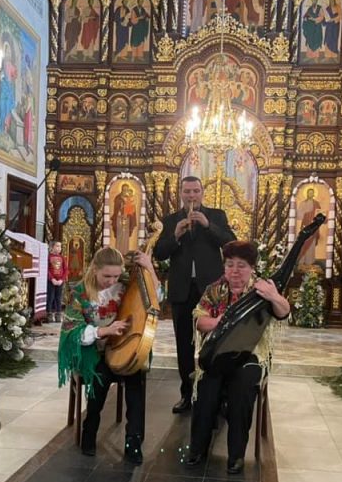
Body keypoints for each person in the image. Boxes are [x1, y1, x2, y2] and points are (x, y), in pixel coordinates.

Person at [185, 241, 290, 474]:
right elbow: (199, 320)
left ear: (252, 268)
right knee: (207, 387)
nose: (234, 271)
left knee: (241, 389)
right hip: (219, 354)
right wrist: (220, 322)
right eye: (229, 265)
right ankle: (198, 448)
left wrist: (274, 296)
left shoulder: (261, 290)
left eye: (241, 266)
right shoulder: (214, 290)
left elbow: (284, 312)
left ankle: (236, 454)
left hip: (251, 354)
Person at [58, 246, 159, 463]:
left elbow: (155, 298)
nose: (112, 281)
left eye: (116, 276)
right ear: (95, 269)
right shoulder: (80, 293)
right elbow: (71, 331)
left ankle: (133, 441)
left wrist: (149, 267)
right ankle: (89, 430)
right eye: (107, 276)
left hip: (124, 348)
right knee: (100, 378)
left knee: (135, 378)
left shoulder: (127, 284)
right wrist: (104, 331)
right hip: (94, 352)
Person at [153, 176, 236, 414]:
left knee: (215, 342)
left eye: (196, 191)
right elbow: (159, 253)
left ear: (202, 192)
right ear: (181, 193)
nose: (191, 196)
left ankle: (217, 395)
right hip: (182, 290)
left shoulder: (216, 216)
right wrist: (175, 235)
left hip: (211, 292)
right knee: (184, 344)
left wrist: (208, 226)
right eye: (187, 191)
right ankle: (187, 394)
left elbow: (230, 244)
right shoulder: (170, 220)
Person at [47, 241, 68, 323]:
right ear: (52, 247)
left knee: (58, 298)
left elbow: (65, 270)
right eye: (57, 246)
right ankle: (49, 314)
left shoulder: (62, 258)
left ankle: (58, 314)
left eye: (60, 246)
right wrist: (52, 279)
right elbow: (47, 269)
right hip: (51, 281)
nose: (59, 248)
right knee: (50, 297)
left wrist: (61, 279)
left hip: (59, 281)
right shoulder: (48, 257)